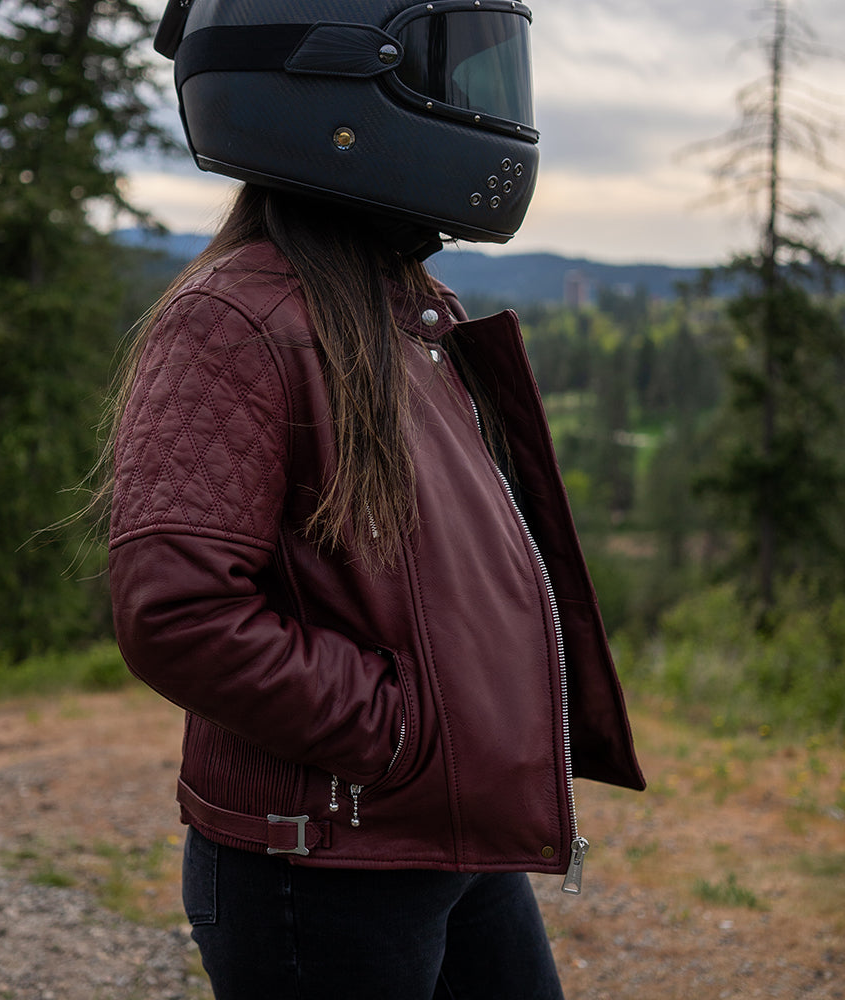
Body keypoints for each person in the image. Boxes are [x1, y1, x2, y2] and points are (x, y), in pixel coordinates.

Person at [108, 1, 645, 997]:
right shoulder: (235, 318)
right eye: (462, 75)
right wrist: (402, 731)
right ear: (336, 84)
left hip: (442, 830)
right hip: (323, 858)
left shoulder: (405, 311)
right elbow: (177, 612)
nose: (487, 111)